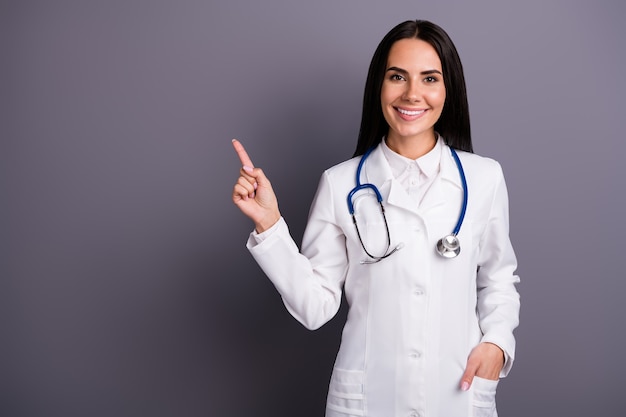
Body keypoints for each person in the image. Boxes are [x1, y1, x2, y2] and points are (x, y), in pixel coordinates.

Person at [231, 19, 520, 417]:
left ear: (448, 89)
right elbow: (316, 307)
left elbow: (498, 278)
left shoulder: (484, 178)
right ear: (378, 87)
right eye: (397, 76)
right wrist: (270, 224)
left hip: (456, 393)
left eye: (430, 78)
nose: (412, 94)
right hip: (368, 401)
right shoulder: (340, 184)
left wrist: (498, 344)